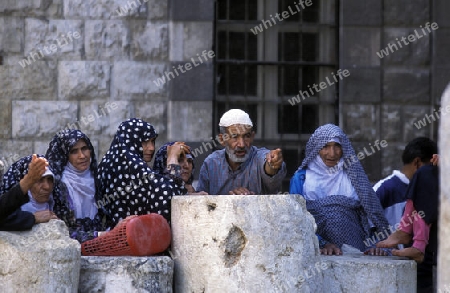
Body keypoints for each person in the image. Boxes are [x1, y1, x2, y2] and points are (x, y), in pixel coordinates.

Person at [290, 124, 389, 255]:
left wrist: (377, 245)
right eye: (325, 146)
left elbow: (371, 215)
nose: (332, 153)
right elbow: (295, 217)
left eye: (337, 146)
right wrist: (321, 243)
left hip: (356, 249)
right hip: (317, 250)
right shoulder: (302, 178)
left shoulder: (353, 175)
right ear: (316, 148)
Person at [96, 118, 188, 227]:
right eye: (144, 142)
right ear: (130, 141)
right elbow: (170, 196)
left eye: (153, 141)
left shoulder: (112, 160)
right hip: (129, 238)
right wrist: (172, 158)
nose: (151, 148)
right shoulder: (130, 164)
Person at [376, 163, 439, 292]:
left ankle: (415, 241)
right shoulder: (386, 186)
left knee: (426, 175)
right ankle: (406, 232)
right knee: (424, 173)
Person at [197, 109, 286, 195]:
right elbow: (200, 203)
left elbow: (268, 166)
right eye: (235, 137)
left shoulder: (258, 158)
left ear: (252, 137)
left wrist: (273, 164)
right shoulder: (211, 164)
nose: (242, 144)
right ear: (222, 139)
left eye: (246, 136)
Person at [45, 129, 107, 243]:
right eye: (74, 151)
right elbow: (60, 232)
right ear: (64, 155)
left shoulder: (98, 180)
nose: (82, 156)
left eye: (84, 148)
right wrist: (99, 236)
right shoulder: (57, 186)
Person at [373, 137, 437, 228]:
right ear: (417, 163)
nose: (433, 172)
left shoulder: (431, 189)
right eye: (430, 167)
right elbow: (366, 226)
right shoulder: (383, 189)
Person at [0, 154, 58, 231]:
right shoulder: (13, 211)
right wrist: (31, 218)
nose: (46, 186)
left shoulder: (59, 205)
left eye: (50, 180)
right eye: (39, 180)